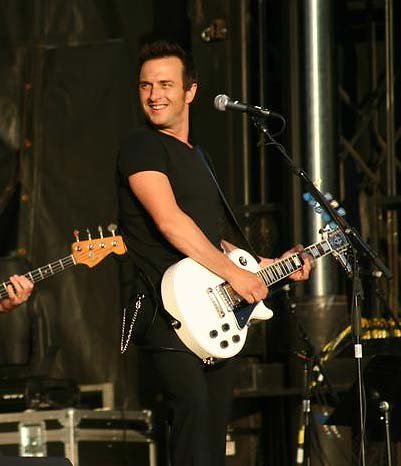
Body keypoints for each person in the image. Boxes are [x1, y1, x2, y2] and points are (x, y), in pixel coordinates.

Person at [117, 40, 312, 466]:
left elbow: (211, 238)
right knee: (192, 418)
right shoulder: (141, 147)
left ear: (191, 91)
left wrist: (265, 266)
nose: (154, 95)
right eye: (146, 85)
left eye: (166, 84)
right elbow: (170, 222)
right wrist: (237, 275)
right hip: (165, 310)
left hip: (211, 311)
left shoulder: (199, 156)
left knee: (212, 433)